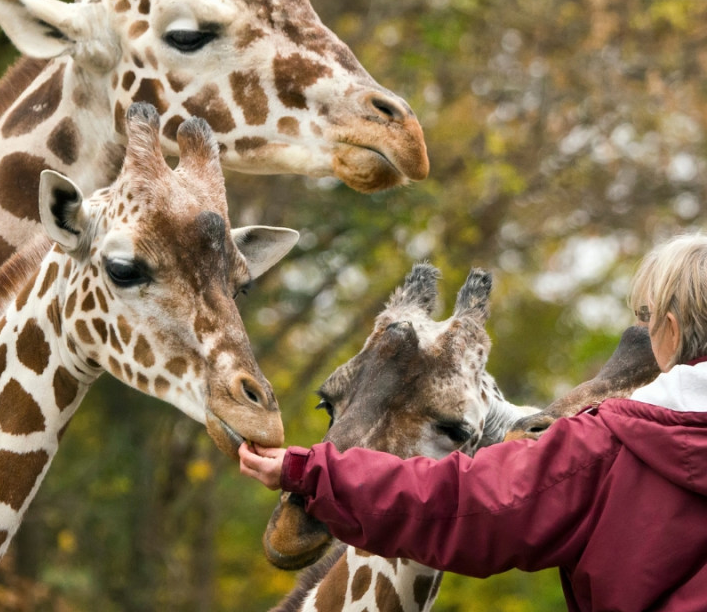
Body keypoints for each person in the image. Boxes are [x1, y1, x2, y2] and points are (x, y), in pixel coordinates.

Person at [240, 233, 707, 611]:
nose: (641, 331)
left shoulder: (606, 448)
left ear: (670, 327)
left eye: (645, 317)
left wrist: (307, 471)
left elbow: (462, 503)